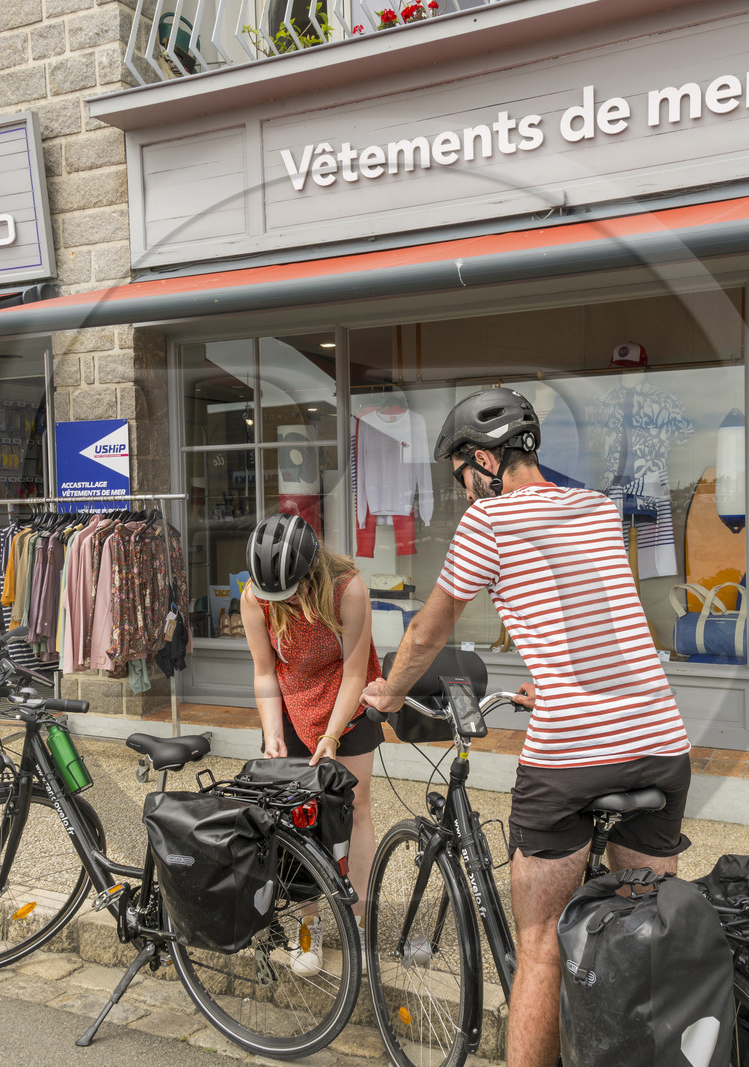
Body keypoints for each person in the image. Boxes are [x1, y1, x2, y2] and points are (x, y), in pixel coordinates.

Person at [362, 387, 693, 1067]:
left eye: (461, 475)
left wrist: (390, 692)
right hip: (662, 740)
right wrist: (562, 680)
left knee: (539, 942)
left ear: (485, 459)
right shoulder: (598, 508)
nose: (462, 491)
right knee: (646, 931)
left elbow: (428, 630)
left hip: (573, 756)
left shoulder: (489, 524)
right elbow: (600, 614)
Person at [242, 512, 383, 972]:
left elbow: (355, 673)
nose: (280, 601)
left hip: (349, 698)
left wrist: (333, 734)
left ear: (310, 573)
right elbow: (264, 671)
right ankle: (309, 925)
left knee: (354, 807)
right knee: (299, 819)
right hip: (292, 700)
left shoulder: (349, 589)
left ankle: (358, 922)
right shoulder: (254, 597)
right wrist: (272, 734)